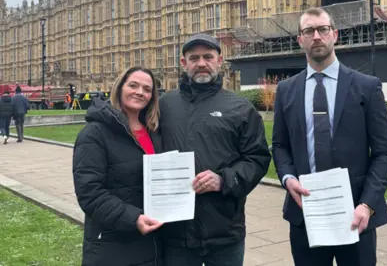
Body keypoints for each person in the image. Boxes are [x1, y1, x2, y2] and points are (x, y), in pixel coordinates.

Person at [271, 7, 387, 266]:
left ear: (334, 34)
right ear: (300, 39)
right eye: (308, 31)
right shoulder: (286, 90)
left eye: (322, 29)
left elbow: (384, 153)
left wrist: (367, 205)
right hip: (306, 213)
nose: (316, 36)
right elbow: (280, 145)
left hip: (355, 213)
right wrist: (287, 178)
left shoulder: (367, 86)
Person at [157, 33, 271, 266]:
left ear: (220, 61)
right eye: (194, 57)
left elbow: (257, 159)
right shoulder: (164, 105)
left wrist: (224, 180)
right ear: (183, 62)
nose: (201, 63)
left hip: (224, 231)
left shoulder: (240, 107)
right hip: (175, 233)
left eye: (208, 57)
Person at [72, 66, 164, 266]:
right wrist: (133, 219)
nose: (140, 92)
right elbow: (89, 193)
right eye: (133, 85)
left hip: (154, 242)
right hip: (114, 243)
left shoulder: (154, 131)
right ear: (119, 88)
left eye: (147, 89)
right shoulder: (94, 133)